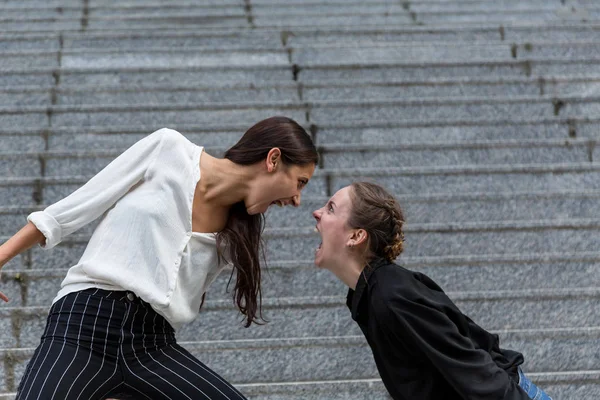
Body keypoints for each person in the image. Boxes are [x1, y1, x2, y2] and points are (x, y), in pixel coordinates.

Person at [0, 116, 318, 400]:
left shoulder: (237, 235)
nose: (296, 200)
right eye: (299, 182)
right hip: (85, 324)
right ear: (273, 158)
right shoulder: (169, 150)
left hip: (152, 345)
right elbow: (72, 209)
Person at [312, 181, 553, 400]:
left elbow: (471, 366)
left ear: (356, 236)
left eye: (331, 208)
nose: (317, 213)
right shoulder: (373, 293)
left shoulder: (391, 296)